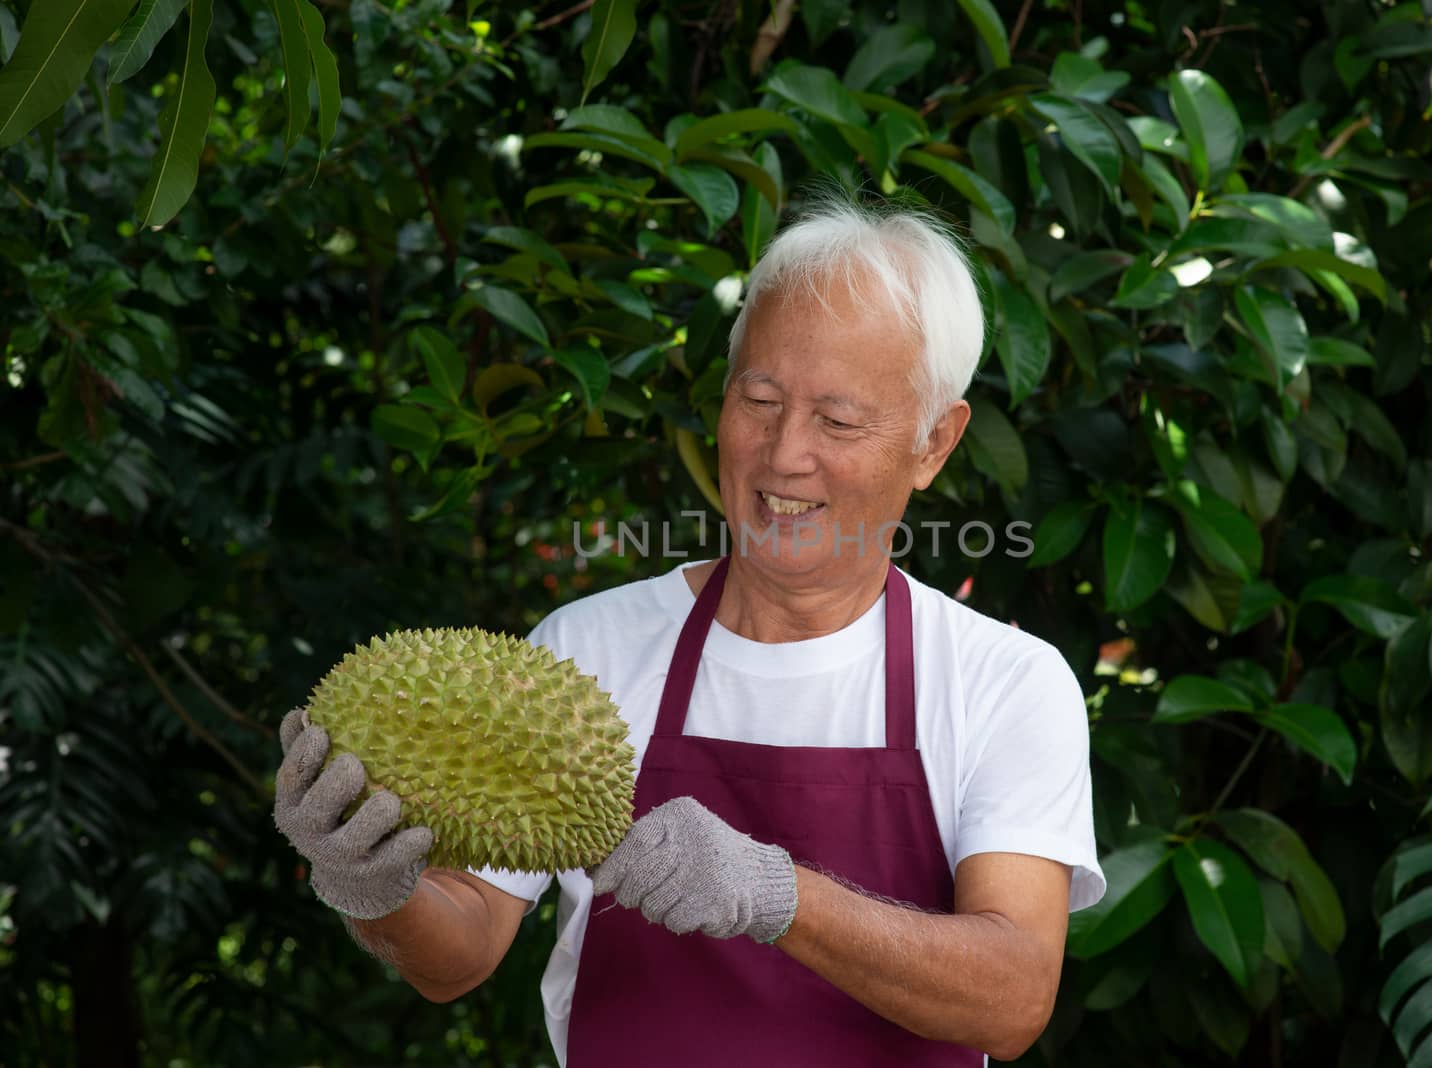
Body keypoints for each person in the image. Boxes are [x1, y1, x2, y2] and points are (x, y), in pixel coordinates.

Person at [273, 198, 1105, 1066]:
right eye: (760, 398)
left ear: (935, 443)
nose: (784, 454)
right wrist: (371, 889)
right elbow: (462, 950)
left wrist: (778, 895)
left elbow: (1013, 997)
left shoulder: (1002, 681)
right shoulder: (586, 652)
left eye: (838, 420)